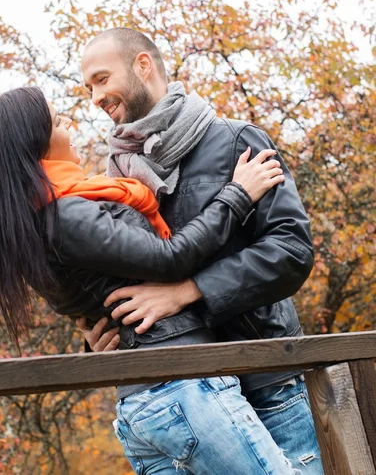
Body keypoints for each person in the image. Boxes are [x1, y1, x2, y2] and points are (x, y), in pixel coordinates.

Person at [0, 86, 300, 474]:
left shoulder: (38, 218)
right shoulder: (65, 216)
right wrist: (238, 194)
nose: (71, 124)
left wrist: (97, 342)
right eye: (59, 122)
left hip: (148, 402)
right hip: (180, 390)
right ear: (35, 144)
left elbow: (97, 294)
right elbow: (170, 258)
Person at [77, 27, 323, 474]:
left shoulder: (237, 142)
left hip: (265, 383)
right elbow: (121, 279)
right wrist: (101, 335)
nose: (94, 97)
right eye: (88, 88)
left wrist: (191, 290)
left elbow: (291, 249)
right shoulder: (114, 182)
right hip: (179, 398)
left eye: (100, 79)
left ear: (143, 66)